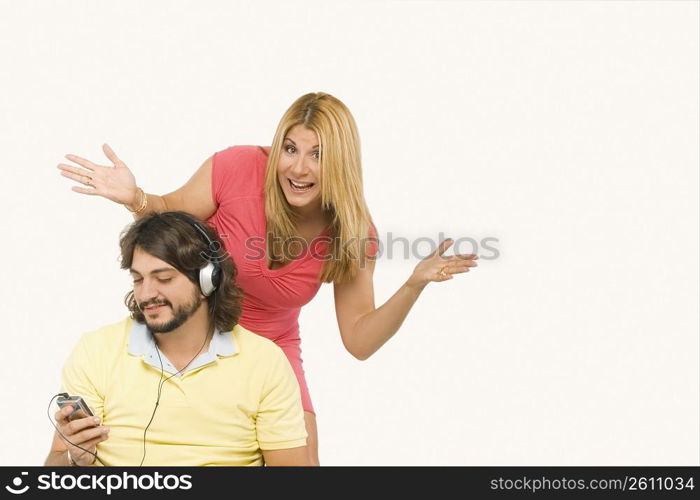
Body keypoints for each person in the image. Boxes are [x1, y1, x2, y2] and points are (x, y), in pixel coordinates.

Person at [57, 91, 479, 465]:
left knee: (304, 461)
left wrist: (412, 285)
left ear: (342, 162)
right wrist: (135, 197)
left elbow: (359, 340)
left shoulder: (352, 231)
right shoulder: (238, 167)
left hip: (273, 349)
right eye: (290, 148)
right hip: (199, 326)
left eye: (318, 154)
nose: (298, 167)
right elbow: (171, 213)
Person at [44, 212, 310, 466]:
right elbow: (53, 475)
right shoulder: (96, 351)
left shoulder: (264, 360)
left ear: (208, 279)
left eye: (164, 278)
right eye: (138, 280)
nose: (147, 294)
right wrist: (76, 460)